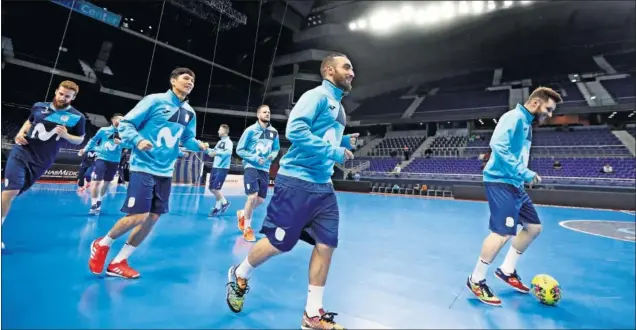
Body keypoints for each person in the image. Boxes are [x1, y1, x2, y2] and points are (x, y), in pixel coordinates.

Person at [225, 53, 357, 330]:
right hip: (296, 181)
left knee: (327, 244)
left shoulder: (340, 108)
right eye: (347, 67)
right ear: (329, 70)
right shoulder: (317, 96)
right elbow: (296, 130)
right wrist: (334, 150)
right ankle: (239, 273)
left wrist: (342, 140)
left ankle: (312, 315)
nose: (352, 72)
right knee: (280, 243)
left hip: (324, 185)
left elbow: (321, 137)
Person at [87, 68, 208, 279]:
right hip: (143, 166)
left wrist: (198, 145)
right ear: (173, 81)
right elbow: (126, 123)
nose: (190, 82)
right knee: (139, 215)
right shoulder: (155, 101)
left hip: (166, 170)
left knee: (153, 217)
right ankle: (102, 243)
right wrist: (137, 140)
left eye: (193, 80)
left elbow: (187, 139)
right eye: (185, 78)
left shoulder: (190, 113)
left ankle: (119, 262)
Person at [467, 87, 562, 306]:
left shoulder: (527, 124)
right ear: (536, 103)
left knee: (533, 228)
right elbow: (498, 146)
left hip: (515, 183)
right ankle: (476, 279)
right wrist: (525, 172)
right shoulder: (514, 117)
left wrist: (521, 175)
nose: (549, 114)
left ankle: (507, 270)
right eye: (548, 109)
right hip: (500, 180)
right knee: (501, 233)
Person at [1, 80, 86, 249]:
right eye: (61, 94)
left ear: (73, 98)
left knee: (15, 192)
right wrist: (20, 133)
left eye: (67, 96)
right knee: (12, 189)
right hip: (22, 151)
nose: (62, 98)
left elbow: (80, 139)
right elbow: (29, 121)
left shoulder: (77, 117)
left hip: (43, 160)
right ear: (56, 92)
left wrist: (67, 135)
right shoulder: (38, 106)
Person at [235, 105, 280, 242]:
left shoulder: (274, 132)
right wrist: (254, 158)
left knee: (260, 200)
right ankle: (247, 228)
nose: (267, 114)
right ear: (258, 114)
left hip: (265, 169)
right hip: (251, 166)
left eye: (269, 112)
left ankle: (243, 213)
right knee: (252, 197)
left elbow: (276, 148)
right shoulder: (250, 130)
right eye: (264, 112)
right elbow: (239, 150)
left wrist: (272, 155)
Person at [79, 113, 126, 215]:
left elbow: (130, 145)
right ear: (113, 120)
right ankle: (93, 203)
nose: (120, 122)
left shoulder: (125, 132)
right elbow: (93, 140)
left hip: (115, 161)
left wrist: (121, 143)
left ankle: (99, 199)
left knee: (106, 183)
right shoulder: (103, 130)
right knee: (96, 181)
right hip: (102, 158)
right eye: (119, 119)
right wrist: (85, 149)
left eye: (123, 120)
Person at [207, 124, 234, 217]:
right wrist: (205, 149)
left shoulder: (229, 142)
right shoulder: (219, 142)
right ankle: (222, 203)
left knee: (216, 189)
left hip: (222, 168)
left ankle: (221, 205)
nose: (218, 131)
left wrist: (216, 153)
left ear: (225, 132)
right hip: (215, 167)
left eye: (220, 130)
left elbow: (228, 152)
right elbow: (213, 151)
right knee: (211, 188)